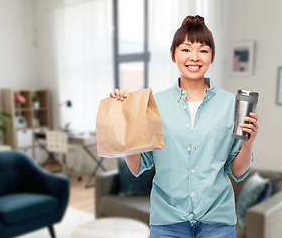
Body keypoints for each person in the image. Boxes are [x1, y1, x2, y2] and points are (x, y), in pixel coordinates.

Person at [109, 15, 259, 238]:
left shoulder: (232, 105)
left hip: (217, 222)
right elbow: (137, 166)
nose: (194, 57)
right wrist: (126, 116)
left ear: (212, 57)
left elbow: (237, 171)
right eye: (186, 49)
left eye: (203, 50)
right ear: (173, 54)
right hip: (167, 222)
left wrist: (247, 145)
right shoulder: (153, 104)